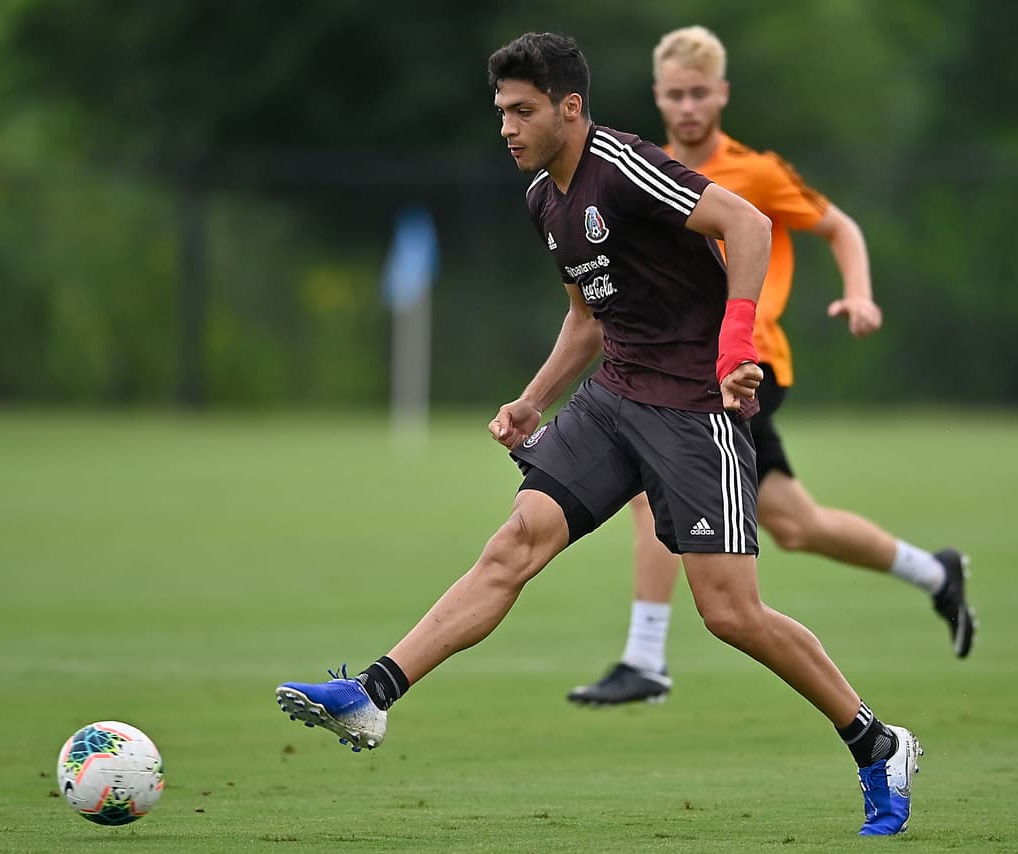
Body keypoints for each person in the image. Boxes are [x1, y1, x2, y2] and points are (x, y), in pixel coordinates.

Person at [276, 32, 922, 836]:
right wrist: (533, 401)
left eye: (522, 111)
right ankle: (372, 693)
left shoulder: (622, 165)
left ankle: (878, 744)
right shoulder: (543, 200)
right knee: (514, 543)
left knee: (731, 614)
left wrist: (735, 345)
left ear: (570, 107)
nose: (507, 128)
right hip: (613, 397)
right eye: (501, 112)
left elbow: (749, 223)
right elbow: (587, 319)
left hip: (695, 409)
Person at [568, 26, 977, 707]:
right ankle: (936, 573)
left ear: (722, 94)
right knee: (794, 523)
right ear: (657, 97)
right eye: (676, 94)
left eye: (700, 93)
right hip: (679, 364)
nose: (688, 106)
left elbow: (840, 227)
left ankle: (645, 659)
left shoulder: (757, 172)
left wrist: (859, 293)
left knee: (648, 485)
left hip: (747, 368)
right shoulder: (645, 171)